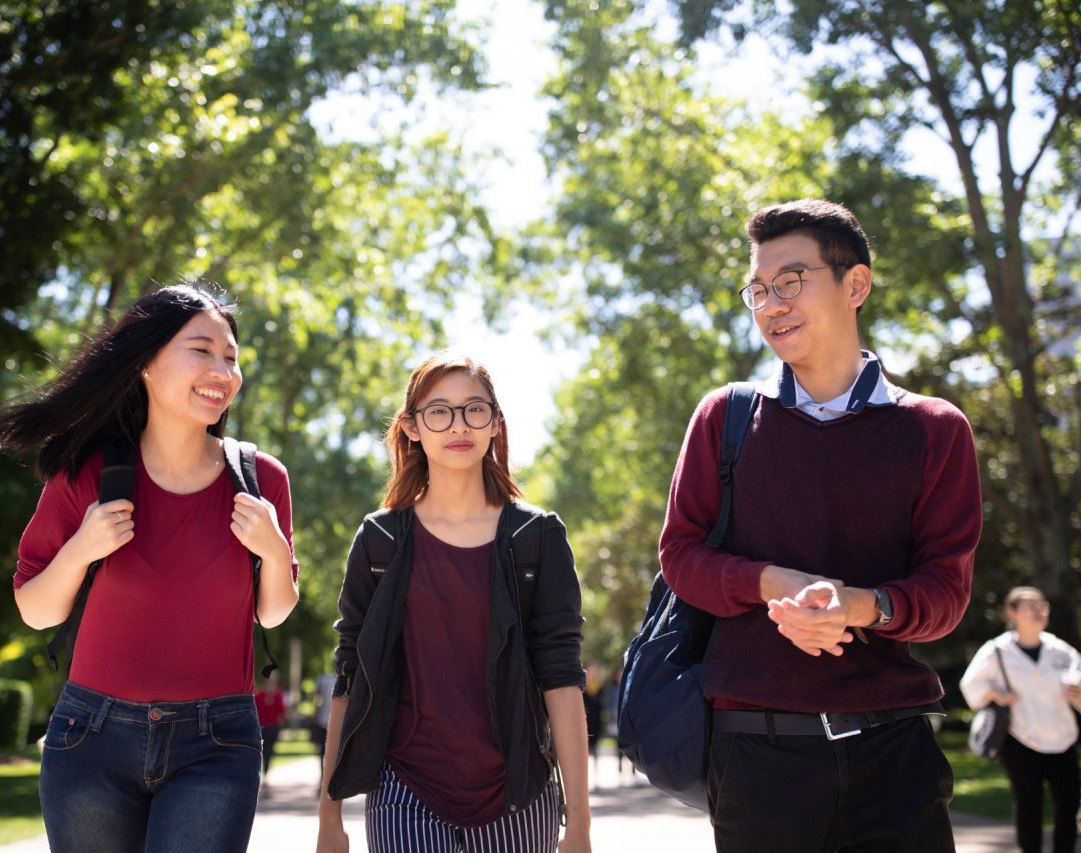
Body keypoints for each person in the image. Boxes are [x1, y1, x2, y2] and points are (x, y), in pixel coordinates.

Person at [658, 199, 982, 852]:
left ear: (854, 283)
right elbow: (681, 555)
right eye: (758, 288)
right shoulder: (724, 417)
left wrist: (861, 605)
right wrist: (769, 581)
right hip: (756, 755)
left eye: (791, 280)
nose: (771, 303)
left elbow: (946, 592)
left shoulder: (935, 429)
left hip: (896, 757)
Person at [0, 284, 300, 852]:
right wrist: (82, 546)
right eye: (201, 350)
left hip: (217, 743)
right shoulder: (88, 472)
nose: (222, 369)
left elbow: (275, 611)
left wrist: (275, 550)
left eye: (231, 356)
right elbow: (35, 612)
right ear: (146, 365)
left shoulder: (261, 479)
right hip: (91, 738)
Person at [316, 353, 592, 853]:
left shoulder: (537, 537)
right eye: (438, 411)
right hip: (404, 790)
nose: (458, 425)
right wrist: (328, 817)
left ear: (495, 423)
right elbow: (349, 680)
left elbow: (562, 678)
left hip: (519, 793)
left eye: (474, 410)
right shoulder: (380, 540)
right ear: (412, 428)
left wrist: (580, 825)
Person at [960, 587, 1081, 853]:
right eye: (1030, 606)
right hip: (1020, 739)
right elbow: (970, 686)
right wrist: (996, 694)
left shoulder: (1062, 651)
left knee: (1069, 804)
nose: (1039, 611)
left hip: (1063, 738)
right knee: (1029, 806)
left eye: (1042, 605)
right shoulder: (997, 651)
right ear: (1012, 613)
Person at [255, 672, 288, 792]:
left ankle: (265, 774)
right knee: (260, 752)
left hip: (273, 728)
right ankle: (260, 773)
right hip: (261, 728)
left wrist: (281, 729)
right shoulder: (259, 696)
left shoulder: (278, 695)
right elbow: (256, 713)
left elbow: (281, 714)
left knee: (268, 751)